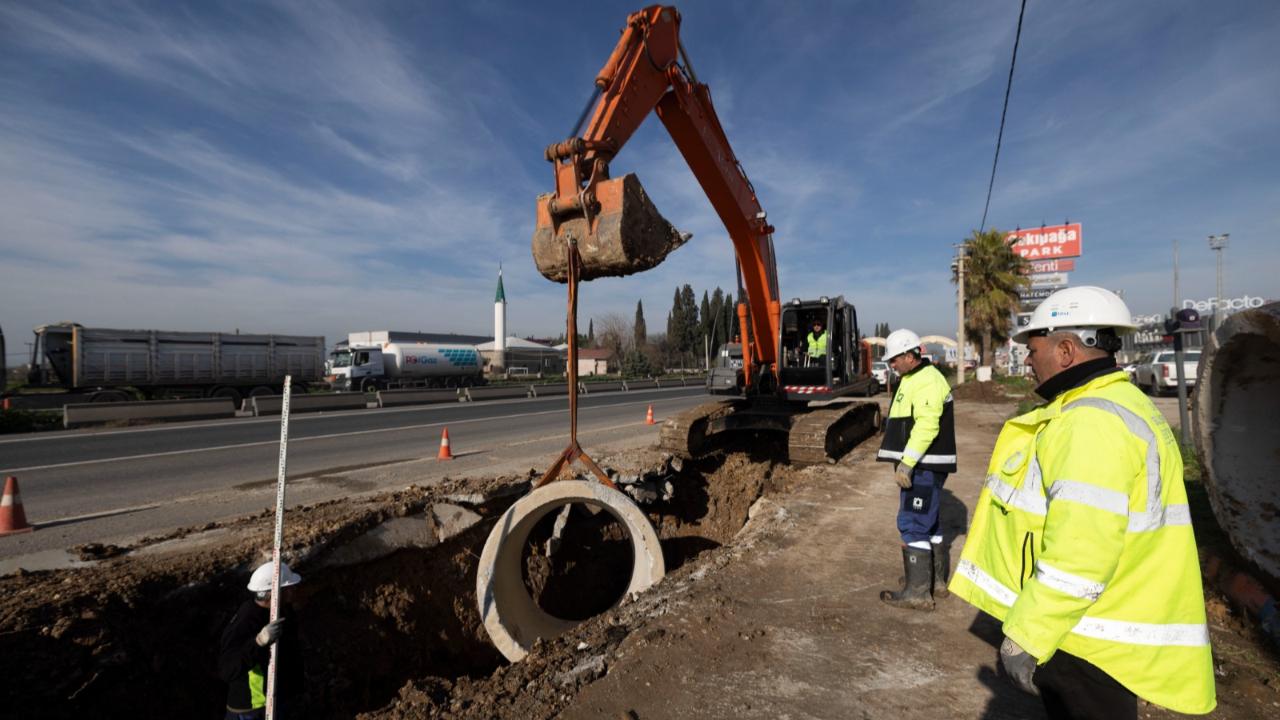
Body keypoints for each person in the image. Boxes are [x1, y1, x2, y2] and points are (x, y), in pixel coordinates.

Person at [949, 286, 1215, 718]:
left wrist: (1029, 633)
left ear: (1066, 350)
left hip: (1086, 638)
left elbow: (1081, 553)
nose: (1028, 361)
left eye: (1033, 350)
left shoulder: (1089, 423)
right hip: (1110, 616)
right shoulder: (1122, 403)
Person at [876, 328, 957, 610]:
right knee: (930, 522)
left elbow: (927, 425)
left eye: (894, 359)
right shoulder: (915, 377)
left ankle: (918, 593)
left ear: (910, 356)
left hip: (923, 465)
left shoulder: (926, 380)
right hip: (925, 463)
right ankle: (932, 581)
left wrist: (907, 463)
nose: (891, 364)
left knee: (913, 521)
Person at [219, 561, 305, 719]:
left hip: (278, 699)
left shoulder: (283, 610)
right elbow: (228, 670)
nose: (293, 590)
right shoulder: (246, 621)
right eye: (287, 588)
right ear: (272, 594)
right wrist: (258, 642)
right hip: (252, 709)